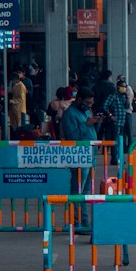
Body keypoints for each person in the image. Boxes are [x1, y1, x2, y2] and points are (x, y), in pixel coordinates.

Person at [60, 90, 97, 230]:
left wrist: (96, 122)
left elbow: (90, 131)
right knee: (78, 190)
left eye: (91, 103)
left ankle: (84, 220)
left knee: (86, 191)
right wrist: (85, 124)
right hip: (79, 155)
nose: (89, 106)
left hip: (90, 154)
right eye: (87, 103)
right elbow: (71, 136)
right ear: (79, 99)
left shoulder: (86, 111)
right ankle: (78, 221)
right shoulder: (70, 114)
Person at [7, 69, 28, 134]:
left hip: (20, 109)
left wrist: (12, 101)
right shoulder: (15, 85)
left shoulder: (21, 86)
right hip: (14, 108)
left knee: (19, 127)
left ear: (16, 79)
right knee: (13, 125)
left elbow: (21, 99)